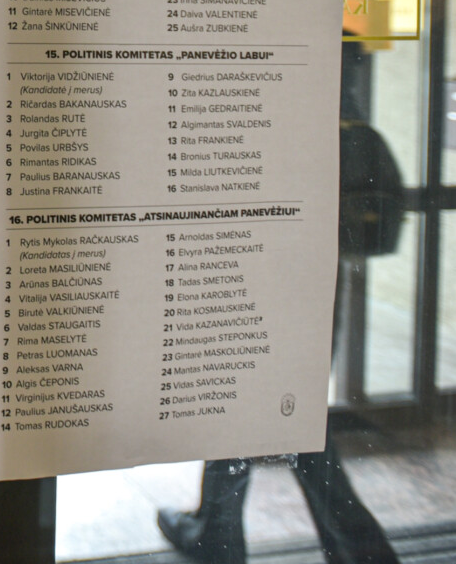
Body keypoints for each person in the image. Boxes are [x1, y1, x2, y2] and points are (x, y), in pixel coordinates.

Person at [156, 39, 403, 564]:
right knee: (269, 412)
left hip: (267, 272)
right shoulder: (339, 66)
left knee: (270, 413)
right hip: (319, 277)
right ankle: (218, 531)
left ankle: (352, 549)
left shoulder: (286, 67)